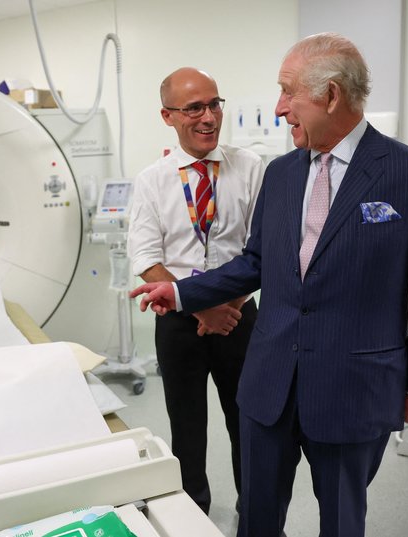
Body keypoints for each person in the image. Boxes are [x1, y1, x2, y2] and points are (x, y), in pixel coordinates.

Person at [131, 33, 408, 537]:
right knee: (257, 518)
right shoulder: (282, 174)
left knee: (343, 520)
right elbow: (257, 261)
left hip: (353, 388)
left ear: (329, 96)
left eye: (288, 93)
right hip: (269, 384)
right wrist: (180, 294)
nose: (279, 108)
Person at [127, 67, 264, 514]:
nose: (208, 117)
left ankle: (256, 515)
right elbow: (145, 257)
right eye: (193, 108)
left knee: (250, 423)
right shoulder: (153, 179)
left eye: (214, 104)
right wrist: (202, 309)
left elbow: (263, 249)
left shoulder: (250, 168)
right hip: (181, 324)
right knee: (186, 428)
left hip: (240, 317)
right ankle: (193, 514)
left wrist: (229, 307)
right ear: (168, 116)